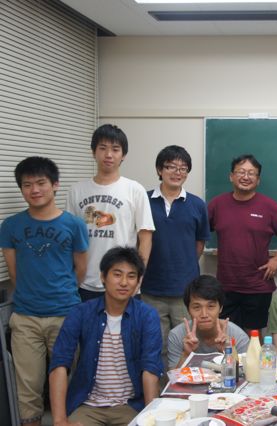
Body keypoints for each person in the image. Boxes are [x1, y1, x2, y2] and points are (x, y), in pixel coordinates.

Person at [0, 157, 88, 426]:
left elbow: (80, 270)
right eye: (27, 185)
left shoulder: (74, 224)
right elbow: (14, 272)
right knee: (28, 388)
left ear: (55, 185)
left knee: (70, 381)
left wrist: (60, 292)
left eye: (41, 183)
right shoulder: (10, 226)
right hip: (25, 317)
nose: (34, 190)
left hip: (65, 315)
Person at [49, 247, 163, 426]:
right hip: (88, 406)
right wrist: (59, 420)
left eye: (131, 276)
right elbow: (60, 364)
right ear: (103, 276)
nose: (124, 282)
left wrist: (151, 418)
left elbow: (150, 368)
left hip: (130, 406)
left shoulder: (147, 315)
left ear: (138, 281)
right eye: (117, 274)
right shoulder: (81, 313)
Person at [66, 124, 155, 301]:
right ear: (93, 152)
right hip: (85, 283)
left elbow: (145, 237)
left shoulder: (135, 189)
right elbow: (70, 237)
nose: (108, 154)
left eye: (115, 149)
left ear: (123, 155)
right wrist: (74, 277)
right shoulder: (76, 190)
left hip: (124, 284)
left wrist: (138, 277)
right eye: (102, 148)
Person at [142, 146, 210, 368]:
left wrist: (183, 264)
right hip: (151, 290)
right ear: (159, 170)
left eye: (183, 168)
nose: (177, 172)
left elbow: (199, 243)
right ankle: (161, 387)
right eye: (171, 166)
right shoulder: (143, 200)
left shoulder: (197, 204)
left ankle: (186, 386)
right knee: (156, 346)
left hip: (186, 292)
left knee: (187, 344)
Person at [208, 154, 277, 334]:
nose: (246, 177)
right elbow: (199, 231)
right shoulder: (217, 204)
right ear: (231, 176)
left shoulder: (269, 206)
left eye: (251, 173)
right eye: (241, 172)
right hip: (226, 285)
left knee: (254, 338)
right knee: (225, 337)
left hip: (258, 285)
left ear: (258, 180)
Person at [168, 275, 250, 369]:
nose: (204, 314)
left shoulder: (238, 336)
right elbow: (172, 376)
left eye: (210, 306)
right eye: (197, 307)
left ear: (221, 308)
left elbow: (246, 375)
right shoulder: (177, 335)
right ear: (188, 310)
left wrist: (228, 353)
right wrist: (186, 354)